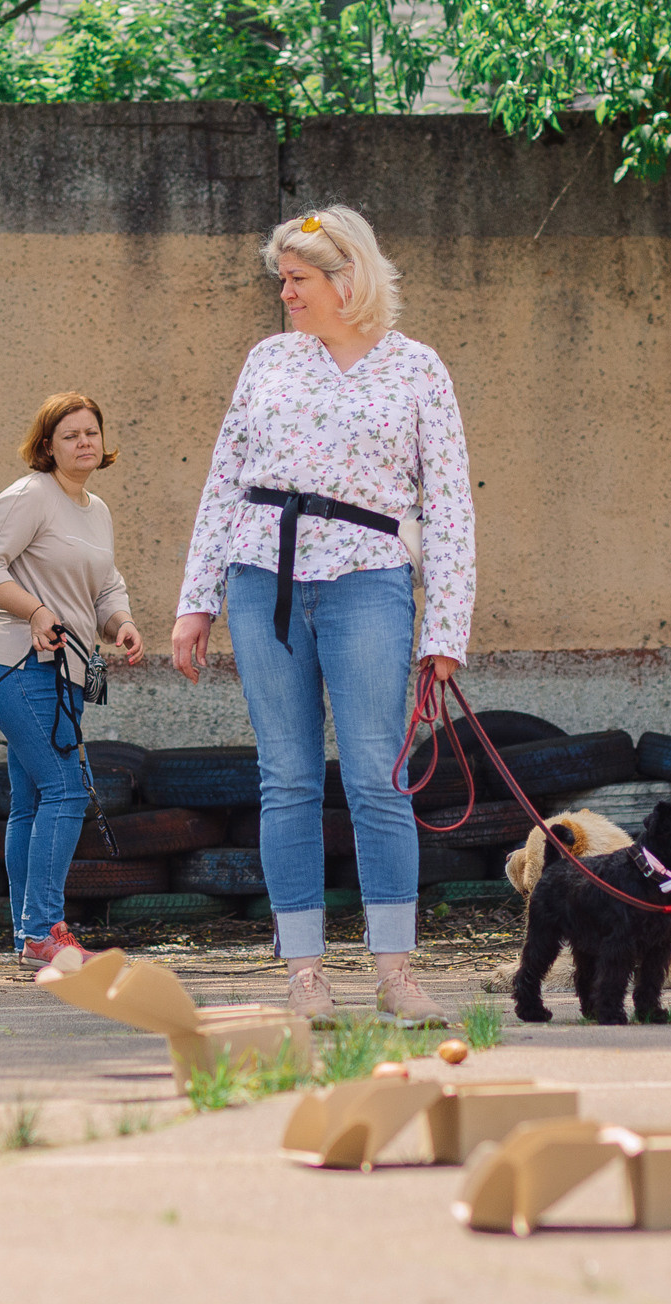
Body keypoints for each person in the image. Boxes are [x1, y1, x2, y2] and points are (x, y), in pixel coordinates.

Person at [171, 205, 475, 1028]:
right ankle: (305, 974)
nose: (286, 294)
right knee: (288, 780)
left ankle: (397, 973)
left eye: (298, 280)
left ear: (348, 280)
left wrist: (445, 626)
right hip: (260, 575)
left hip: (368, 580)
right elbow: (223, 479)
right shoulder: (268, 360)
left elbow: (448, 504)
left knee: (379, 775)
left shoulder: (418, 369)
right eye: (283, 280)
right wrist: (195, 601)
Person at [0, 391, 145, 969]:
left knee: (32, 801)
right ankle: (45, 930)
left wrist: (121, 623)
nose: (84, 442)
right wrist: (36, 611)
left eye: (91, 432)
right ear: (47, 446)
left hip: (67, 670)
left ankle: (27, 939)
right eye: (70, 435)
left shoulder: (96, 509)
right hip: (14, 664)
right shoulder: (29, 496)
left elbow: (105, 584)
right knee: (67, 789)